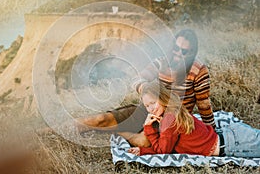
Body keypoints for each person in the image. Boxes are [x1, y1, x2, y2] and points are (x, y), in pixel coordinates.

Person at [76, 29, 216, 147]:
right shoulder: (162, 62)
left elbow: (204, 104)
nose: (178, 53)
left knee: (143, 141)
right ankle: (62, 130)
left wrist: (212, 129)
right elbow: (137, 79)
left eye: (184, 51)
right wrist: (148, 91)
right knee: (100, 119)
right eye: (176, 48)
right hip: (147, 111)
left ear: (191, 52)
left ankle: (116, 132)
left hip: (171, 121)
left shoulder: (199, 70)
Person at [128, 81, 260, 157]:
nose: (150, 109)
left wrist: (148, 128)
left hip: (234, 144)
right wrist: (144, 150)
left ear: (163, 98)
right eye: (147, 106)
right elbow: (170, 146)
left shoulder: (169, 119)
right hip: (231, 135)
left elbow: (163, 151)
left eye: (153, 103)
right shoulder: (171, 112)